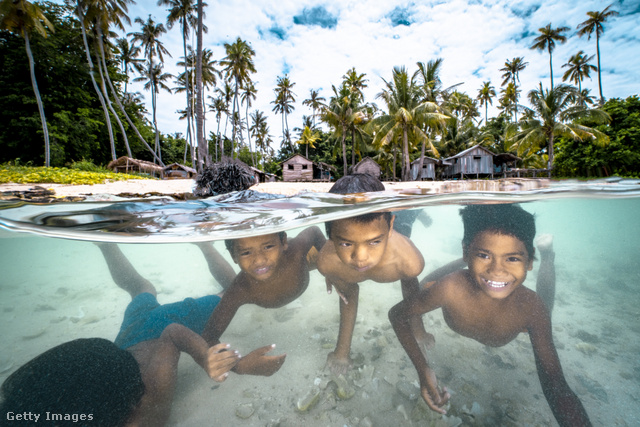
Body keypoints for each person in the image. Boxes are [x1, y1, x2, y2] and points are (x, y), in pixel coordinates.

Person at [388, 203, 591, 427]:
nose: (497, 270)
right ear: (465, 250)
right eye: (484, 255)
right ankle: (476, 259)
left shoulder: (530, 309)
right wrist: (422, 368)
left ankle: (547, 256)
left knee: (545, 309)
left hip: (521, 313)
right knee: (428, 284)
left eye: (512, 258)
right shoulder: (451, 289)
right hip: (464, 270)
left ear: (529, 261)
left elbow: (557, 386)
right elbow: (397, 314)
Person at [0, 243, 241, 427]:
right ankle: (106, 244)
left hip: (160, 326)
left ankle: (203, 242)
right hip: (126, 338)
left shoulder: (149, 403)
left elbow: (173, 333)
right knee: (142, 289)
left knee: (233, 289)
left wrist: (206, 358)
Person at [317, 174, 427, 375]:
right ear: (331, 236)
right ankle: (343, 349)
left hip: (399, 234)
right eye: (346, 243)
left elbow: (411, 286)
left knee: (409, 218)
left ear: (390, 226)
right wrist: (332, 274)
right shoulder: (327, 262)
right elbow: (348, 292)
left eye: (374, 242)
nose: (360, 258)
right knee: (345, 285)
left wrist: (417, 327)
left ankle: (418, 212)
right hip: (376, 235)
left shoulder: (409, 262)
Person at [196, 226, 327, 375]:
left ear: (283, 242)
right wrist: (238, 366)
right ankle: (205, 246)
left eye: (268, 246)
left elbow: (315, 231)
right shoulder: (240, 290)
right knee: (230, 284)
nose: (259, 260)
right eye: (246, 252)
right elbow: (209, 336)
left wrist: (329, 267)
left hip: (306, 258)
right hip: (280, 260)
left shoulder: (296, 250)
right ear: (233, 255)